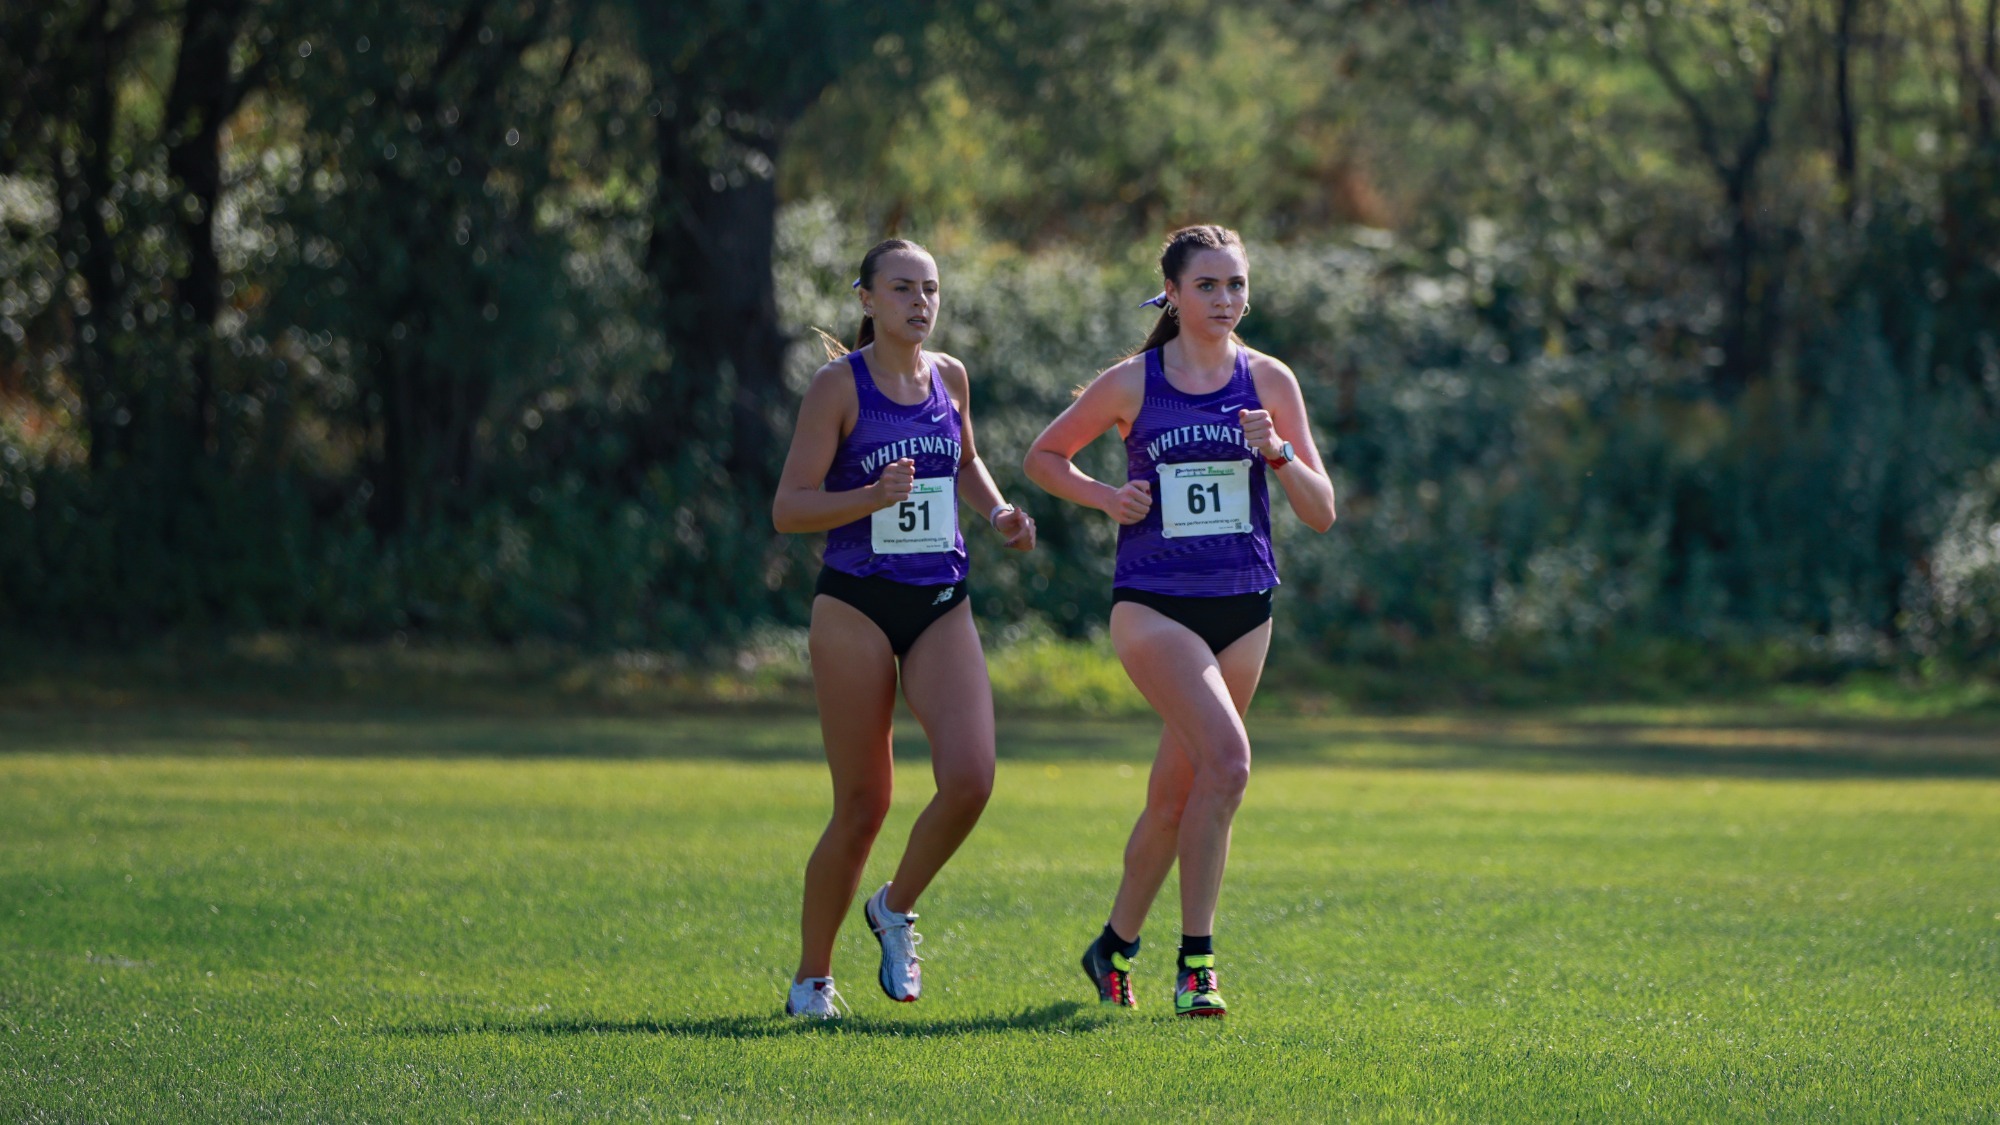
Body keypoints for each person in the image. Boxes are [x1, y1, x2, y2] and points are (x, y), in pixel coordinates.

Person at [1023, 224, 1335, 1018]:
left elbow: (1321, 511)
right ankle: (1197, 965)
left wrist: (1279, 455)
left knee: (1175, 795)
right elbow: (1044, 457)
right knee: (1228, 762)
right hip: (1155, 606)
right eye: (1208, 285)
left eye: (1236, 285)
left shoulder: (1269, 379)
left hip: (1244, 607)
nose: (1225, 299)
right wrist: (1105, 497)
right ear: (1173, 293)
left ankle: (1112, 945)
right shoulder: (1134, 382)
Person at [771, 238, 1036, 1020]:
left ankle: (894, 906)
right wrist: (870, 497)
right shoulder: (836, 388)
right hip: (854, 602)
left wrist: (998, 513)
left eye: (931, 289)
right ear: (867, 300)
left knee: (971, 778)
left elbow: (965, 462)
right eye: (902, 289)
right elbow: (789, 508)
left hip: (939, 600)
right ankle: (811, 981)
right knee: (863, 803)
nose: (920, 303)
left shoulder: (949, 375)